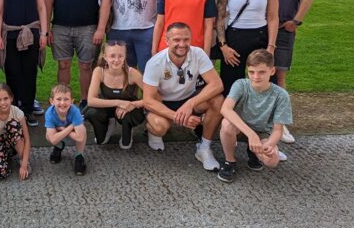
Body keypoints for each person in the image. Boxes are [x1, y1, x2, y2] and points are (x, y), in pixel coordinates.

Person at [259, 0, 317, 145]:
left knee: (278, 76)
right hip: (254, 25)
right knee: (253, 74)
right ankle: (258, 119)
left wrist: (297, 19)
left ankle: (279, 125)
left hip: (282, 25)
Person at [142, 23, 224, 171]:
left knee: (218, 100)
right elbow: (148, 100)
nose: (182, 44)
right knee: (160, 127)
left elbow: (217, 85)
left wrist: (190, 104)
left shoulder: (198, 53)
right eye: (176, 40)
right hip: (164, 102)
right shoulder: (155, 63)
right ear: (167, 41)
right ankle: (152, 133)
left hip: (188, 98)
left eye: (186, 39)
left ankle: (204, 147)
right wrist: (178, 117)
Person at [45, 0, 112, 109]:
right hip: (60, 27)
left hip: (88, 28)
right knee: (64, 65)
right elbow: (47, 3)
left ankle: (85, 100)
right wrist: (47, 30)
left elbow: (106, 0)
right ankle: (63, 100)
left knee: (86, 66)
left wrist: (100, 28)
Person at [217, 49, 293, 183]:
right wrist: (251, 135)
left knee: (272, 161)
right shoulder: (241, 84)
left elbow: (278, 129)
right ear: (247, 71)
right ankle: (230, 161)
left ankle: (253, 152)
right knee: (226, 124)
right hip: (240, 128)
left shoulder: (281, 95)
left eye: (261, 72)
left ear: (272, 71)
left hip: (263, 131)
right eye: (252, 72)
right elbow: (225, 109)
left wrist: (270, 145)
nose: (256, 76)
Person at [216, 0, 279, 95]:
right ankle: (231, 117)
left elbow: (272, 17)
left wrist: (271, 47)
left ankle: (263, 116)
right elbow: (220, 18)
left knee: (263, 82)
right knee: (231, 84)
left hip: (260, 37)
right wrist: (223, 46)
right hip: (234, 38)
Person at [0, 0, 48, 126]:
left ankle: (27, 109)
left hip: (31, 34)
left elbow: (42, 8)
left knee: (29, 72)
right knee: (13, 73)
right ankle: (14, 109)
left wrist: (44, 33)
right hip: (10, 34)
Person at [83, 41, 147, 150]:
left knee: (126, 146)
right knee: (100, 139)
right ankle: (108, 123)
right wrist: (120, 103)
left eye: (120, 56)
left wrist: (133, 104)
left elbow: (152, 97)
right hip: (107, 107)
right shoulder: (99, 71)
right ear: (105, 56)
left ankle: (128, 128)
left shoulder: (133, 73)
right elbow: (91, 100)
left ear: (125, 56)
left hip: (127, 110)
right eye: (112, 56)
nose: (116, 60)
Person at [0, 84, 31, 180]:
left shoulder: (17, 112)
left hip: (13, 143)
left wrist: (24, 165)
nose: (3, 103)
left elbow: (27, 139)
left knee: (13, 124)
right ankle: (4, 158)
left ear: (11, 98)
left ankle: (22, 159)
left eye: (5, 98)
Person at [44, 84, 88, 176]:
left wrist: (63, 129)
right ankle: (59, 146)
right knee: (48, 136)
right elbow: (52, 139)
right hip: (64, 134)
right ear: (52, 101)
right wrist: (71, 126)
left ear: (72, 101)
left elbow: (80, 138)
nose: (62, 103)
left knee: (83, 130)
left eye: (66, 99)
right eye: (59, 99)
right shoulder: (49, 113)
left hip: (71, 135)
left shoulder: (75, 111)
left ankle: (79, 155)